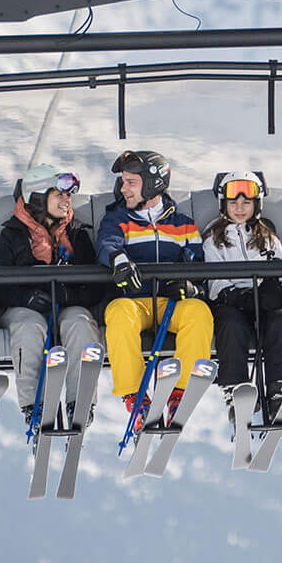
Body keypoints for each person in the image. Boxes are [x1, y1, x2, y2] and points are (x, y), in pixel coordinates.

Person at [95, 149, 213, 428]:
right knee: (118, 312)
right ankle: (135, 397)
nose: (123, 189)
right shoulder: (117, 218)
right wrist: (119, 262)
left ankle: (180, 393)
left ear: (153, 185)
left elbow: (196, 260)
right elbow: (108, 244)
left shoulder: (182, 223)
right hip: (135, 301)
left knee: (198, 312)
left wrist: (190, 287)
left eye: (131, 182)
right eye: (122, 182)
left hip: (170, 303)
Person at [0, 164, 104, 423]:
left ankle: (81, 401)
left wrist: (68, 296)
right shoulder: (13, 235)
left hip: (67, 305)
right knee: (28, 325)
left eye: (68, 196)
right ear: (38, 196)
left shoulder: (76, 233)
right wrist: (26, 298)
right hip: (24, 307)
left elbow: (95, 284)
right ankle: (34, 405)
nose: (67, 201)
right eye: (60, 195)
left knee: (79, 323)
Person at [199, 170, 282, 419]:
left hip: (264, 302)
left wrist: (281, 294)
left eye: (246, 203)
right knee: (231, 326)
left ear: (257, 204)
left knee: (280, 322)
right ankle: (236, 388)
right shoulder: (214, 239)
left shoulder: (268, 238)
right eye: (233, 203)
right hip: (233, 304)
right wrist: (238, 298)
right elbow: (215, 282)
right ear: (224, 205)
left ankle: (278, 388)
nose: (240, 208)